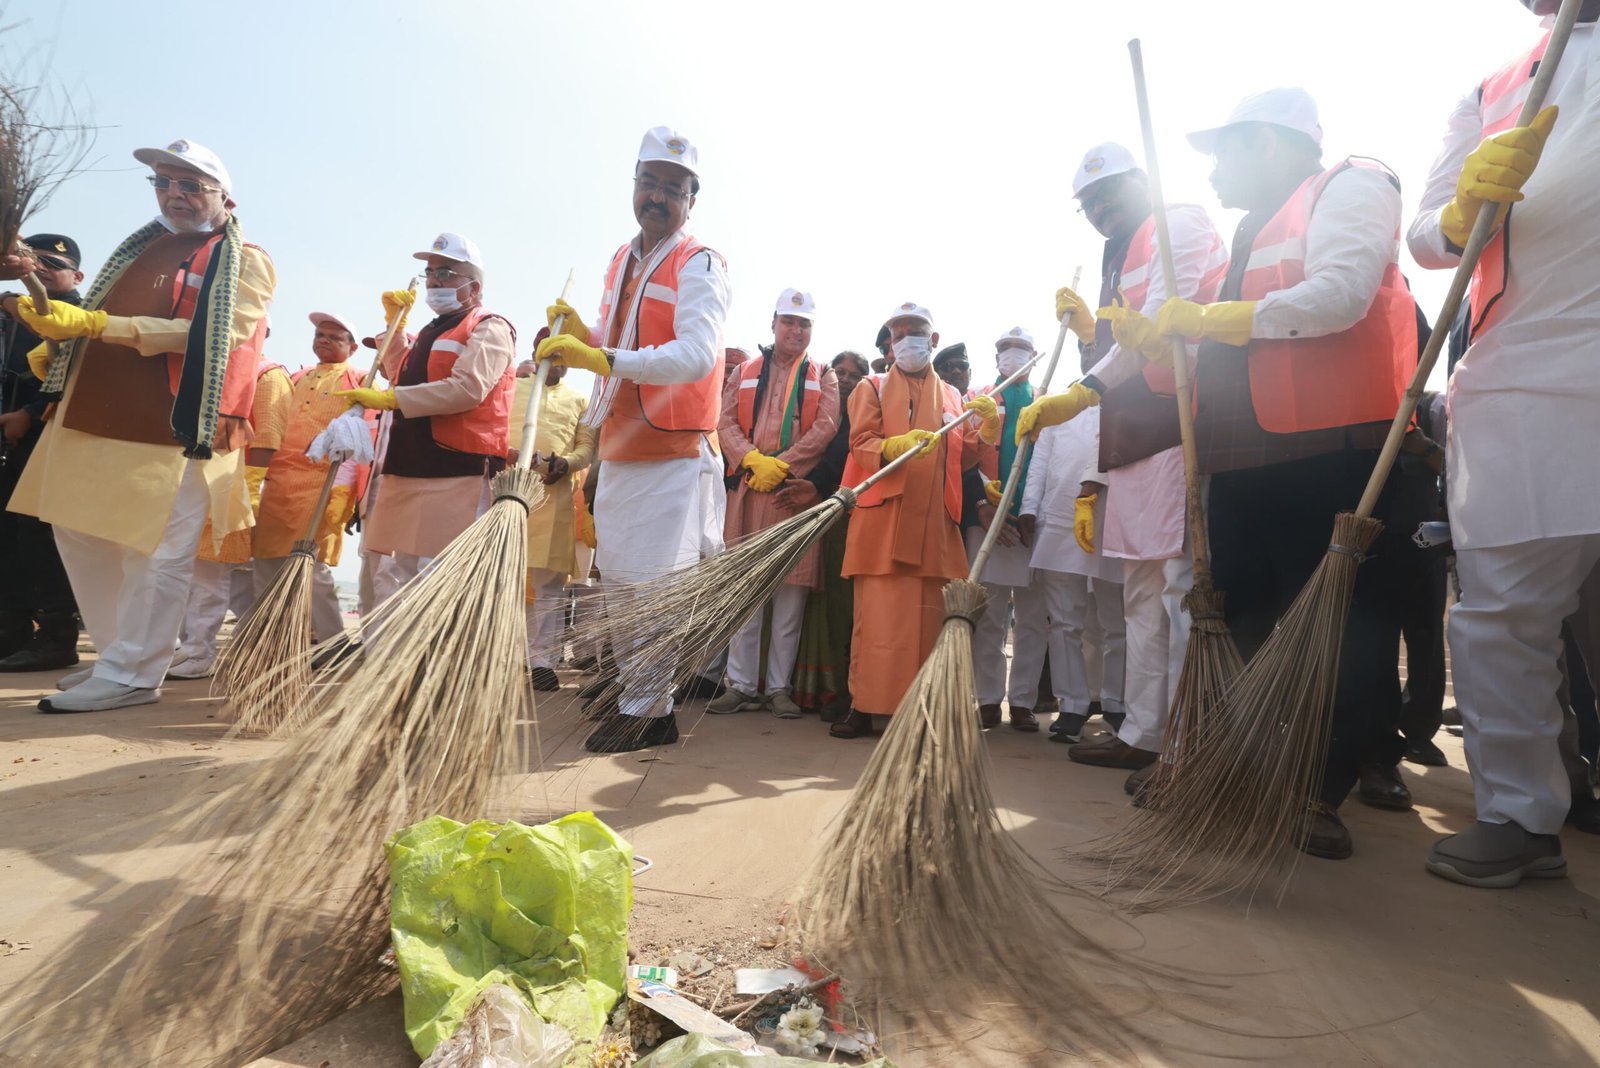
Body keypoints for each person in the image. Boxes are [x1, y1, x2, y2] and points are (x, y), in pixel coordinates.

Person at [1115, 89, 1420, 859]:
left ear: (1274, 144)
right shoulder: (1246, 233)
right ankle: (1226, 765)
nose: (1214, 171)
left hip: (1335, 455)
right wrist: (1147, 343)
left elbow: (1339, 297)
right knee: (1233, 615)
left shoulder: (1352, 185)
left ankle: (1318, 790)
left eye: (1226, 151)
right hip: (1245, 457)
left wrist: (1216, 321)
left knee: (1341, 631)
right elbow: (1203, 356)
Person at [1408, 0, 1600, 887]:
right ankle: (1520, 820)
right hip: (1525, 385)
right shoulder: (1491, 91)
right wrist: (1462, 210)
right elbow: (1425, 238)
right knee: (1502, 621)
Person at [10, 139, 275, 713]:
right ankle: (114, 657)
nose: (173, 194)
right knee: (78, 531)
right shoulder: (140, 247)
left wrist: (99, 324)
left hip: (176, 423)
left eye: (189, 185)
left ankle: (135, 672)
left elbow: (214, 335)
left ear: (223, 196)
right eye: (162, 182)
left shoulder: (245, 258)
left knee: (156, 551)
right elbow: (93, 319)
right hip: (95, 410)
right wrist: (57, 337)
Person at [1019, 141, 1228, 785]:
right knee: (1142, 589)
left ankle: (1190, 740)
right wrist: (1090, 338)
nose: (1099, 208)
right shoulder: (1119, 256)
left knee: (1175, 588)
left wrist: (1084, 390)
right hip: (1135, 435)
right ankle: (1145, 731)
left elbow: (1162, 333)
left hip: (1181, 420)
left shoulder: (1177, 225)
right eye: (1088, 203)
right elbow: (1113, 354)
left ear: (1143, 181)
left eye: (1109, 192)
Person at [535, 126, 731, 753]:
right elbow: (614, 335)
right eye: (649, 182)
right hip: (621, 445)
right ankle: (635, 697)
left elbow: (697, 355)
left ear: (691, 200)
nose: (657, 196)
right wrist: (584, 334)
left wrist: (603, 358)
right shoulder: (623, 259)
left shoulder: (699, 262)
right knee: (620, 576)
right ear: (634, 186)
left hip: (673, 448)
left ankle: (651, 711)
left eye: (673, 188)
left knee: (651, 580)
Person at [834, 302, 991, 739]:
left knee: (927, 623)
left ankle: (923, 710)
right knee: (876, 622)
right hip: (884, 523)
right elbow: (861, 442)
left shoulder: (956, 397)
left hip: (936, 529)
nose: (906, 340)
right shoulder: (871, 385)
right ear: (888, 343)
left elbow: (963, 458)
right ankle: (862, 707)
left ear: (933, 339)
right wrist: (891, 446)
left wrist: (988, 434)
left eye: (915, 331)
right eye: (897, 333)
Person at [343, 233, 516, 597]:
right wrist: (396, 326)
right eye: (431, 273)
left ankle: (445, 654)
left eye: (447, 272)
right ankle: (398, 654)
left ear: (474, 285)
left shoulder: (489, 326)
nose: (435, 281)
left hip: (458, 469)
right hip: (408, 464)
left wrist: (392, 400)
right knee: (396, 574)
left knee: (441, 578)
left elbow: (468, 388)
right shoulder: (428, 331)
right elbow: (398, 374)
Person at [709, 289, 839, 718]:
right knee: (746, 595)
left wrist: (781, 467)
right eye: (789, 321)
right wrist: (750, 459)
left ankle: (779, 688)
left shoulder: (825, 375)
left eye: (804, 324)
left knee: (789, 599)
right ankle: (741, 685)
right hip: (749, 491)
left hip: (791, 496)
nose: (796, 330)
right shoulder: (744, 370)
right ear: (773, 323)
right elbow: (723, 420)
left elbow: (825, 429)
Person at [247, 313, 375, 652]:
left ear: (352, 346)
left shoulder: (362, 380)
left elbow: (367, 441)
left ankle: (332, 643)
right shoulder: (295, 375)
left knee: (312, 569)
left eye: (335, 337)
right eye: (320, 334)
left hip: (322, 483)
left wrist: (350, 493)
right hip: (278, 482)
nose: (325, 340)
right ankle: (270, 641)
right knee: (264, 562)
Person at [169, 347, 292, 678]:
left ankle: (199, 651)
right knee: (200, 574)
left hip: (231, 487)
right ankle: (190, 646)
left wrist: (250, 487)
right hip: (193, 481)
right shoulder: (209, 367)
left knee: (210, 573)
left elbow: (268, 439)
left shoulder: (269, 373)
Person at [1020, 385, 1127, 751]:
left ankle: (1117, 704)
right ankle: (1073, 706)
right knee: (1065, 622)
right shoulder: (1060, 407)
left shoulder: (1125, 396)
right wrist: (1029, 508)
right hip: (1060, 519)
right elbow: (1039, 464)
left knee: (1117, 621)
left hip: (1111, 516)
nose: (1090, 354)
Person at [0, 234, 85, 672]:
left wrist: (31, 413)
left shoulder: (83, 315)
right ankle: (11, 632)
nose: (45, 268)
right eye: (36, 260)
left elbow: (80, 375)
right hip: (9, 441)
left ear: (77, 275)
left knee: (42, 537)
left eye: (54, 262)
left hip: (52, 437)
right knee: (9, 538)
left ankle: (57, 637)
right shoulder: (11, 308)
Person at [970, 327, 1050, 731]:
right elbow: (964, 457)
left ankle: (1022, 702)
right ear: (995, 355)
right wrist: (983, 505)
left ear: (1036, 355)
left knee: (1033, 618)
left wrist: (1035, 511)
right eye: (1006, 348)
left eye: (1021, 350)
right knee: (989, 615)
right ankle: (987, 699)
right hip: (988, 522)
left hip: (1034, 524)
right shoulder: (978, 398)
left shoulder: (1048, 399)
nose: (1013, 355)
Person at [790, 350, 868, 719]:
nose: (849, 380)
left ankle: (846, 686)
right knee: (816, 602)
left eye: (857, 374)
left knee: (848, 603)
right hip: (816, 514)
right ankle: (815, 687)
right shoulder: (819, 412)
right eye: (841, 372)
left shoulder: (868, 412)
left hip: (854, 514)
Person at [513, 345, 595, 691]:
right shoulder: (511, 387)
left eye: (563, 357)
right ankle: (505, 655)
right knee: (507, 583)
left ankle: (543, 662)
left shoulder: (580, 401)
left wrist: (567, 463)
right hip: (508, 495)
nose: (555, 363)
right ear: (537, 354)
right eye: (550, 354)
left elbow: (587, 447)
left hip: (554, 497)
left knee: (548, 588)